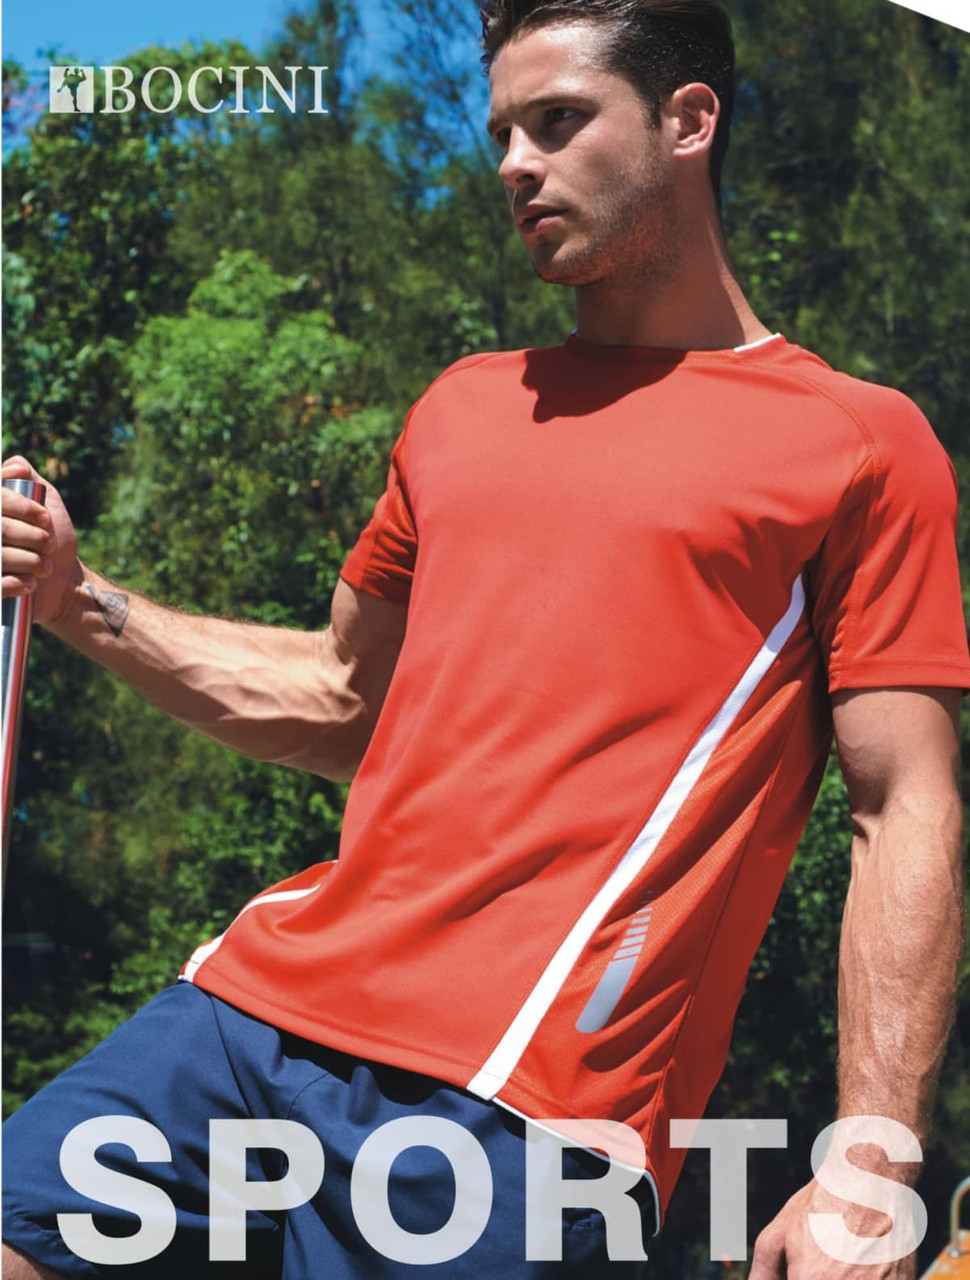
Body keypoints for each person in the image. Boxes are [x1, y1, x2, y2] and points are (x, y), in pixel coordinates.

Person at [3, 0, 967, 1276]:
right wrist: (79, 598)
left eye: (559, 122)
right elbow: (346, 696)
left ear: (688, 121)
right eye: (503, 129)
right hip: (250, 1015)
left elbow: (904, 805)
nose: (515, 162)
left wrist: (872, 1153)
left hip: (524, 1108)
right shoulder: (463, 408)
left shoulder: (856, 438)